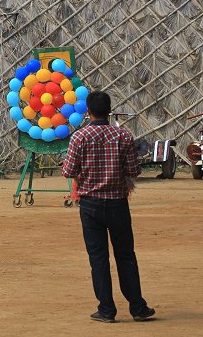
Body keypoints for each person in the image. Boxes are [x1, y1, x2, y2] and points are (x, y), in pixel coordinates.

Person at [61, 91, 154, 323]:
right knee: (125, 255)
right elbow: (134, 171)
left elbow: (68, 171)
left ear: (88, 112)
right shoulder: (123, 135)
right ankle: (137, 307)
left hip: (90, 205)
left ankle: (106, 309)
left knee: (98, 259)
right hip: (118, 204)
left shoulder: (79, 137)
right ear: (109, 110)